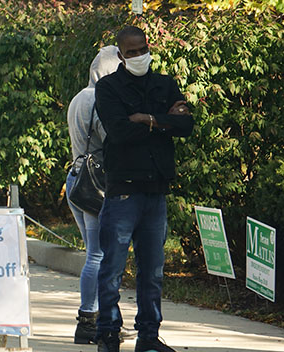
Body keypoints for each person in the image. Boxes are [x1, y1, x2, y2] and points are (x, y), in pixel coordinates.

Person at [94, 26, 194, 352]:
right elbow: (119, 131)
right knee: (112, 267)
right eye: (131, 52)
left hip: (156, 189)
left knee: (152, 272)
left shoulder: (164, 83)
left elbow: (186, 125)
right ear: (121, 55)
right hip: (123, 190)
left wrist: (146, 118)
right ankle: (108, 333)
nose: (138, 56)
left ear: (148, 47)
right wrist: (164, 120)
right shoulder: (108, 88)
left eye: (142, 50)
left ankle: (149, 338)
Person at [66, 45, 122, 344]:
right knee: (98, 255)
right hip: (98, 183)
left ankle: (105, 317)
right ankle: (89, 320)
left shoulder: (79, 97)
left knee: (95, 254)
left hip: (76, 177)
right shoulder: (102, 99)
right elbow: (112, 140)